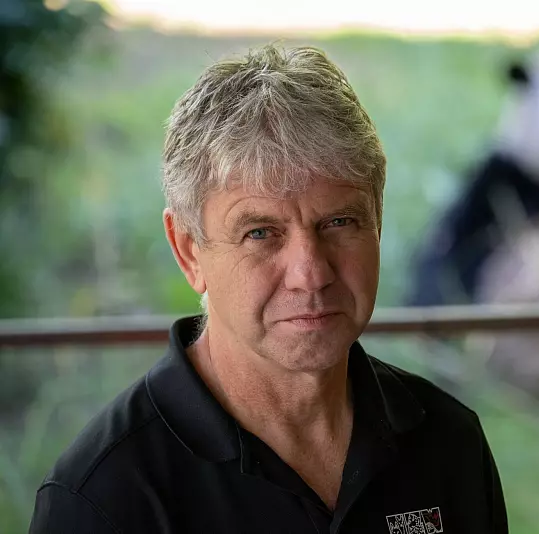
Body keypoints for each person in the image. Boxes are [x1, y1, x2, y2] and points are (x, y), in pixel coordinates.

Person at [28, 44, 508, 533]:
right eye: (260, 233)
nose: (311, 273)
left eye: (339, 222)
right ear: (189, 251)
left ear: (378, 223)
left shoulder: (449, 443)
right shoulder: (104, 500)